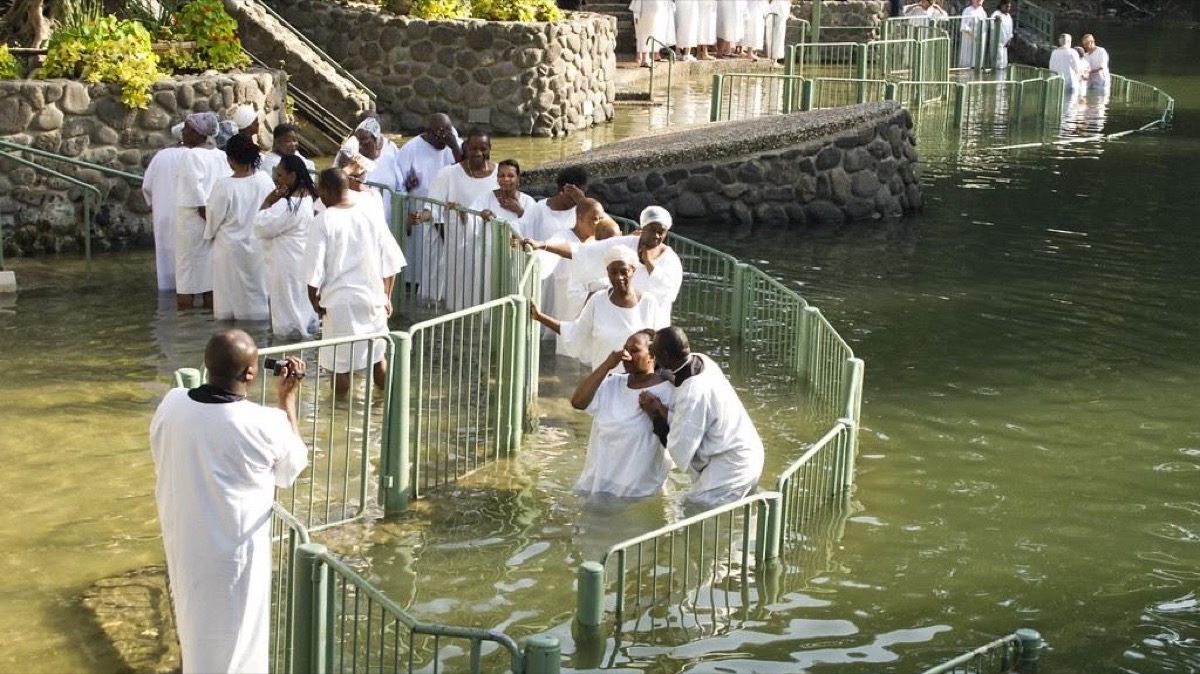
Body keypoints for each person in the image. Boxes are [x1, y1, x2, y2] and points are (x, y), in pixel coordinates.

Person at [150, 329, 308, 674]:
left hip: (186, 543)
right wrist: (287, 401)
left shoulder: (172, 403)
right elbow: (291, 469)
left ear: (208, 367)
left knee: (196, 633)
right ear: (251, 373)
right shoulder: (266, 423)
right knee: (239, 642)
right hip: (236, 557)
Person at [302, 168, 406, 397]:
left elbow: (314, 268)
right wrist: (387, 296)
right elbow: (391, 259)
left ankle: (338, 410)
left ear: (327, 191)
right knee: (378, 357)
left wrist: (314, 300)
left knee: (339, 364)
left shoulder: (323, 220)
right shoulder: (371, 215)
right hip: (372, 298)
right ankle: (386, 405)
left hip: (339, 301)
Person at [638, 326, 765, 509]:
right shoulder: (702, 361)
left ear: (665, 356)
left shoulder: (692, 393)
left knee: (696, 514)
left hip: (731, 467)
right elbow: (684, 405)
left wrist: (655, 412)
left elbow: (679, 450)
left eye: (655, 352)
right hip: (748, 450)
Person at [570, 329, 675, 499]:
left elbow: (682, 437)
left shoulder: (668, 392)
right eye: (625, 349)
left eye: (634, 350)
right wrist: (607, 365)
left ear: (652, 356)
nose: (625, 354)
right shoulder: (612, 383)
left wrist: (657, 409)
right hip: (597, 487)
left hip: (638, 495)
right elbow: (578, 402)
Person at [539, 205, 683, 326]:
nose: (657, 236)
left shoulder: (671, 259)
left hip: (651, 325)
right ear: (643, 227)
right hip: (619, 321)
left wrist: (650, 263)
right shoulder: (625, 244)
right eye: (653, 230)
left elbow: (668, 293)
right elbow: (582, 252)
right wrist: (543, 246)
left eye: (661, 232)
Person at [530, 244, 666, 370]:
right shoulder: (597, 301)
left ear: (633, 271)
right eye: (613, 272)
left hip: (639, 386)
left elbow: (661, 347)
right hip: (603, 383)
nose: (618, 277)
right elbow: (574, 332)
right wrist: (539, 316)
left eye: (624, 271)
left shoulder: (648, 303)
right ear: (607, 272)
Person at [205, 134, 275, 322]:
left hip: (229, 250)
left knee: (229, 294)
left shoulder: (223, 185)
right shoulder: (265, 180)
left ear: (230, 160)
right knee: (258, 290)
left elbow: (213, 217)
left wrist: (210, 234)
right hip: (258, 244)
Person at [254, 155, 319, 338]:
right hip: (303, 259)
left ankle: (288, 345)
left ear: (292, 176)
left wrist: (270, 200)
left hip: (287, 263)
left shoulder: (287, 205)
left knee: (287, 308)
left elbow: (260, 225)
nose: (277, 180)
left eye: (281, 175)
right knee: (302, 303)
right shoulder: (310, 199)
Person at [394, 113, 461, 290]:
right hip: (420, 210)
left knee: (446, 257)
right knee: (420, 258)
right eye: (439, 132)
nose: (443, 136)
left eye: (447, 130)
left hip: (448, 210)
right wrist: (407, 186)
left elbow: (465, 168)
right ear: (429, 132)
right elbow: (398, 184)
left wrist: (454, 146)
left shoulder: (452, 141)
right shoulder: (411, 149)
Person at [173, 112, 231, 310]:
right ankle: (209, 318)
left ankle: (185, 323)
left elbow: (196, 194)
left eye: (187, 128)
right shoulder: (221, 156)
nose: (183, 131)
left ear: (198, 133)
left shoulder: (192, 156)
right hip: (215, 219)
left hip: (193, 223)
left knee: (186, 276)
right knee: (210, 276)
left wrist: (207, 218)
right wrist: (215, 224)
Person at [142, 123, 187, 292]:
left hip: (164, 217)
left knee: (166, 260)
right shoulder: (198, 155)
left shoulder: (161, 157)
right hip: (190, 217)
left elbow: (147, 187)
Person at [630, 0, 674, 68]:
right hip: (647, 6)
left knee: (649, 30)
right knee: (646, 30)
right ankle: (644, 59)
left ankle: (646, 58)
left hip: (651, 6)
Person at [958, 0, 988, 69]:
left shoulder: (983, 12)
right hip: (968, 39)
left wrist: (979, 37)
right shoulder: (967, 10)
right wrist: (972, 34)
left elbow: (984, 28)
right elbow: (963, 26)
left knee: (976, 61)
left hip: (978, 41)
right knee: (967, 61)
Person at [991, 0, 1013, 71]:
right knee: (998, 63)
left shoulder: (1008, 16)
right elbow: (993, 27)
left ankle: (1002, 80)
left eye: (1009, 7)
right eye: (1007, 7)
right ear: (1002, 5)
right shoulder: (996, 14)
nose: (1008, 9)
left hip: (1005, 44)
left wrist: (1009, 39)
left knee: (1004, 63)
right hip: (997, 43)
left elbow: (1010, 29)